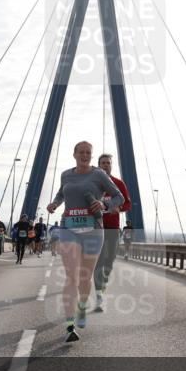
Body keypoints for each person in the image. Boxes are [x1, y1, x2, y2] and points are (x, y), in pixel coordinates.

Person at [47, 141, 124, 342]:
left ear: (91, 155)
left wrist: (104, 205)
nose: (84, 155)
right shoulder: (66, 174)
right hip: (69, 229)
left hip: (93, 230)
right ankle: (70, 325)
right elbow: (61, 193)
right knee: (71, 276)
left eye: (88, 153)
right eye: (81, 152)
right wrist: (55, 203)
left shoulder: (99, 175)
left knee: (85, 277)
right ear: (74, 154)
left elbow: (119, 197)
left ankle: (81, 307)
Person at [93, 153, 132, 311]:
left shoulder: (118, 183)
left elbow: (128, 204)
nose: (105, 165)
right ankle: (99, 296)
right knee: (99, 261)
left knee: (109, 261)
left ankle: (103, 284)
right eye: (103, 163)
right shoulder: (93, 183)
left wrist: (119, 208)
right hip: (96, 227)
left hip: (113, 228)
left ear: (111, 165)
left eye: (108, 163)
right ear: (98, 165)